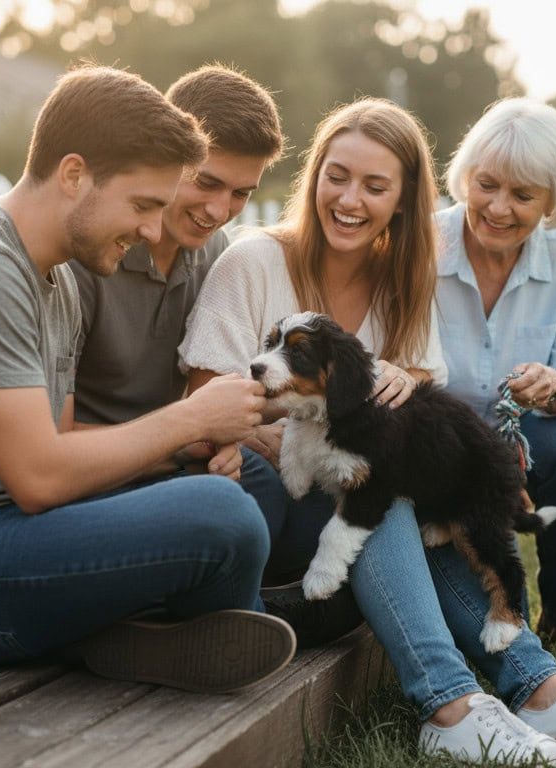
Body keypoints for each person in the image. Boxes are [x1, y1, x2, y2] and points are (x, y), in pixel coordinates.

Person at [180, 98, 556, 764]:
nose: (350, 199)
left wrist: (401, 385)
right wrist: (324, 442)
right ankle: (451, 705)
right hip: (273, 509)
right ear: (314, 176)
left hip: (350, 514)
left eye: (375, 185)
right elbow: (205, 406)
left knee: (393, 484)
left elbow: (420, 385)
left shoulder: (400, 279)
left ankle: (543, 691)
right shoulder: (255, 260)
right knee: (377, 484)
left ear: (403, 201)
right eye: (337, 176)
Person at [0, 65, 296, 695]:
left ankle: (136, 633)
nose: (152, 231)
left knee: (239, 484)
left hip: (5, 531)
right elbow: (40, 479)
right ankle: (237, 619)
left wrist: (187, 445)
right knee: (221, 514)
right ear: (74, 175)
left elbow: (62, 436)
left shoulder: (57, 275)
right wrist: (188, 418)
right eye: (142, 206)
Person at [65, 64, 360, 646]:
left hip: (174, 461)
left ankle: (231, 607)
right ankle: (221, 619)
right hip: (96, 476)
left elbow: (214, 395)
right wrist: (192, 439)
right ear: (168, 154)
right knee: (247, 486)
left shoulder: (213, 253)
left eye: (241, 193)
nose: (220, 209)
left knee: (288, 484)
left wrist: (233, 435)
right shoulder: (90, 257)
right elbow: (53, 444)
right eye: (206, 182)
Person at [436, 98, 556, 673]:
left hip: (523, 440)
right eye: (487, 185)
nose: (498, 208)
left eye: (522, 195)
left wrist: (554, 384)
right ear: (466, 176)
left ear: (551, 201)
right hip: (438, 447)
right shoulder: (423, 243)